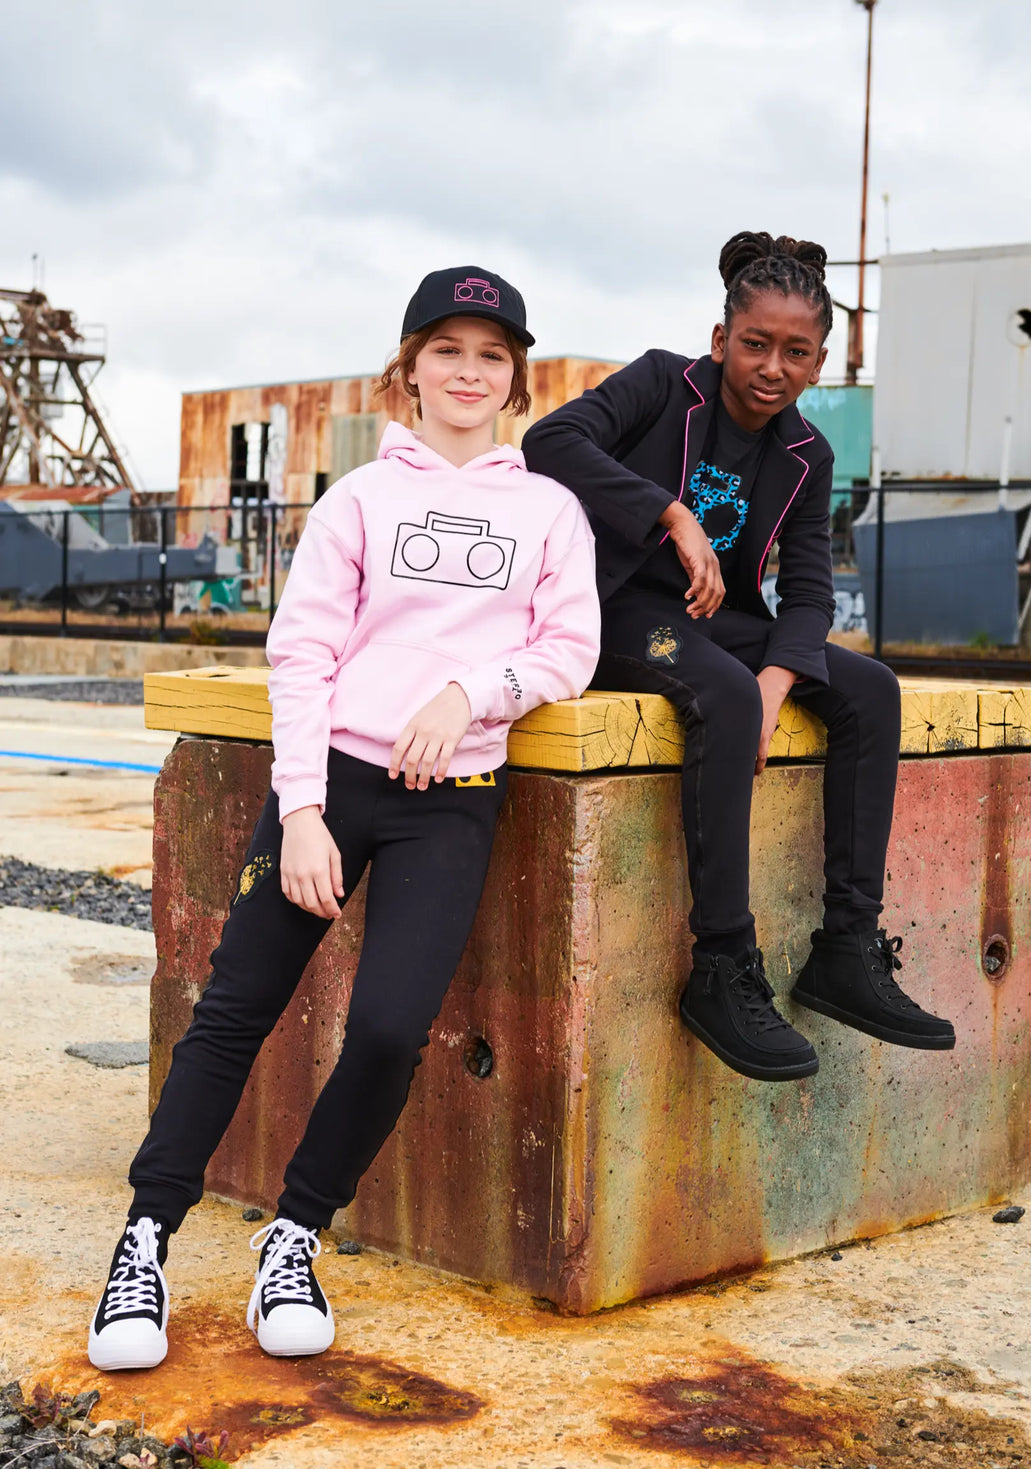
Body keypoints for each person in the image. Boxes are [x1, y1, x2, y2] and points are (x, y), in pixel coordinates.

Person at [88, 267, 600, 1371]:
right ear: (407, 367)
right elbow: (304, 652)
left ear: (514, 378)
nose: (468, 371)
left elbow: (568, 647)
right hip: (334, 788)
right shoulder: (360, 499)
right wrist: (304, 809)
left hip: (452, 800)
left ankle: (295, 1235)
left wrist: (475, 692)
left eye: (491, 355)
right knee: (234, 1009)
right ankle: (143, 1243)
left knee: (385, 1031)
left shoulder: (548, 510)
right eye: (448, 349)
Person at [523, 231, 954, 1086]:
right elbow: (551, 441)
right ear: (721, 341)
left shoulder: (806, 454)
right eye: (755, 344)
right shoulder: (659, 383)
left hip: (711, 620)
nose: (772, 366)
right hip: (616, 612)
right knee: (717, 691)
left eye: (796, 352)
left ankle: (847, 946)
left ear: (820, 362)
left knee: (868, 687)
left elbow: (807, 587)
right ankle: (721, 963)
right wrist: (671, 515)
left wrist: (778, 676)